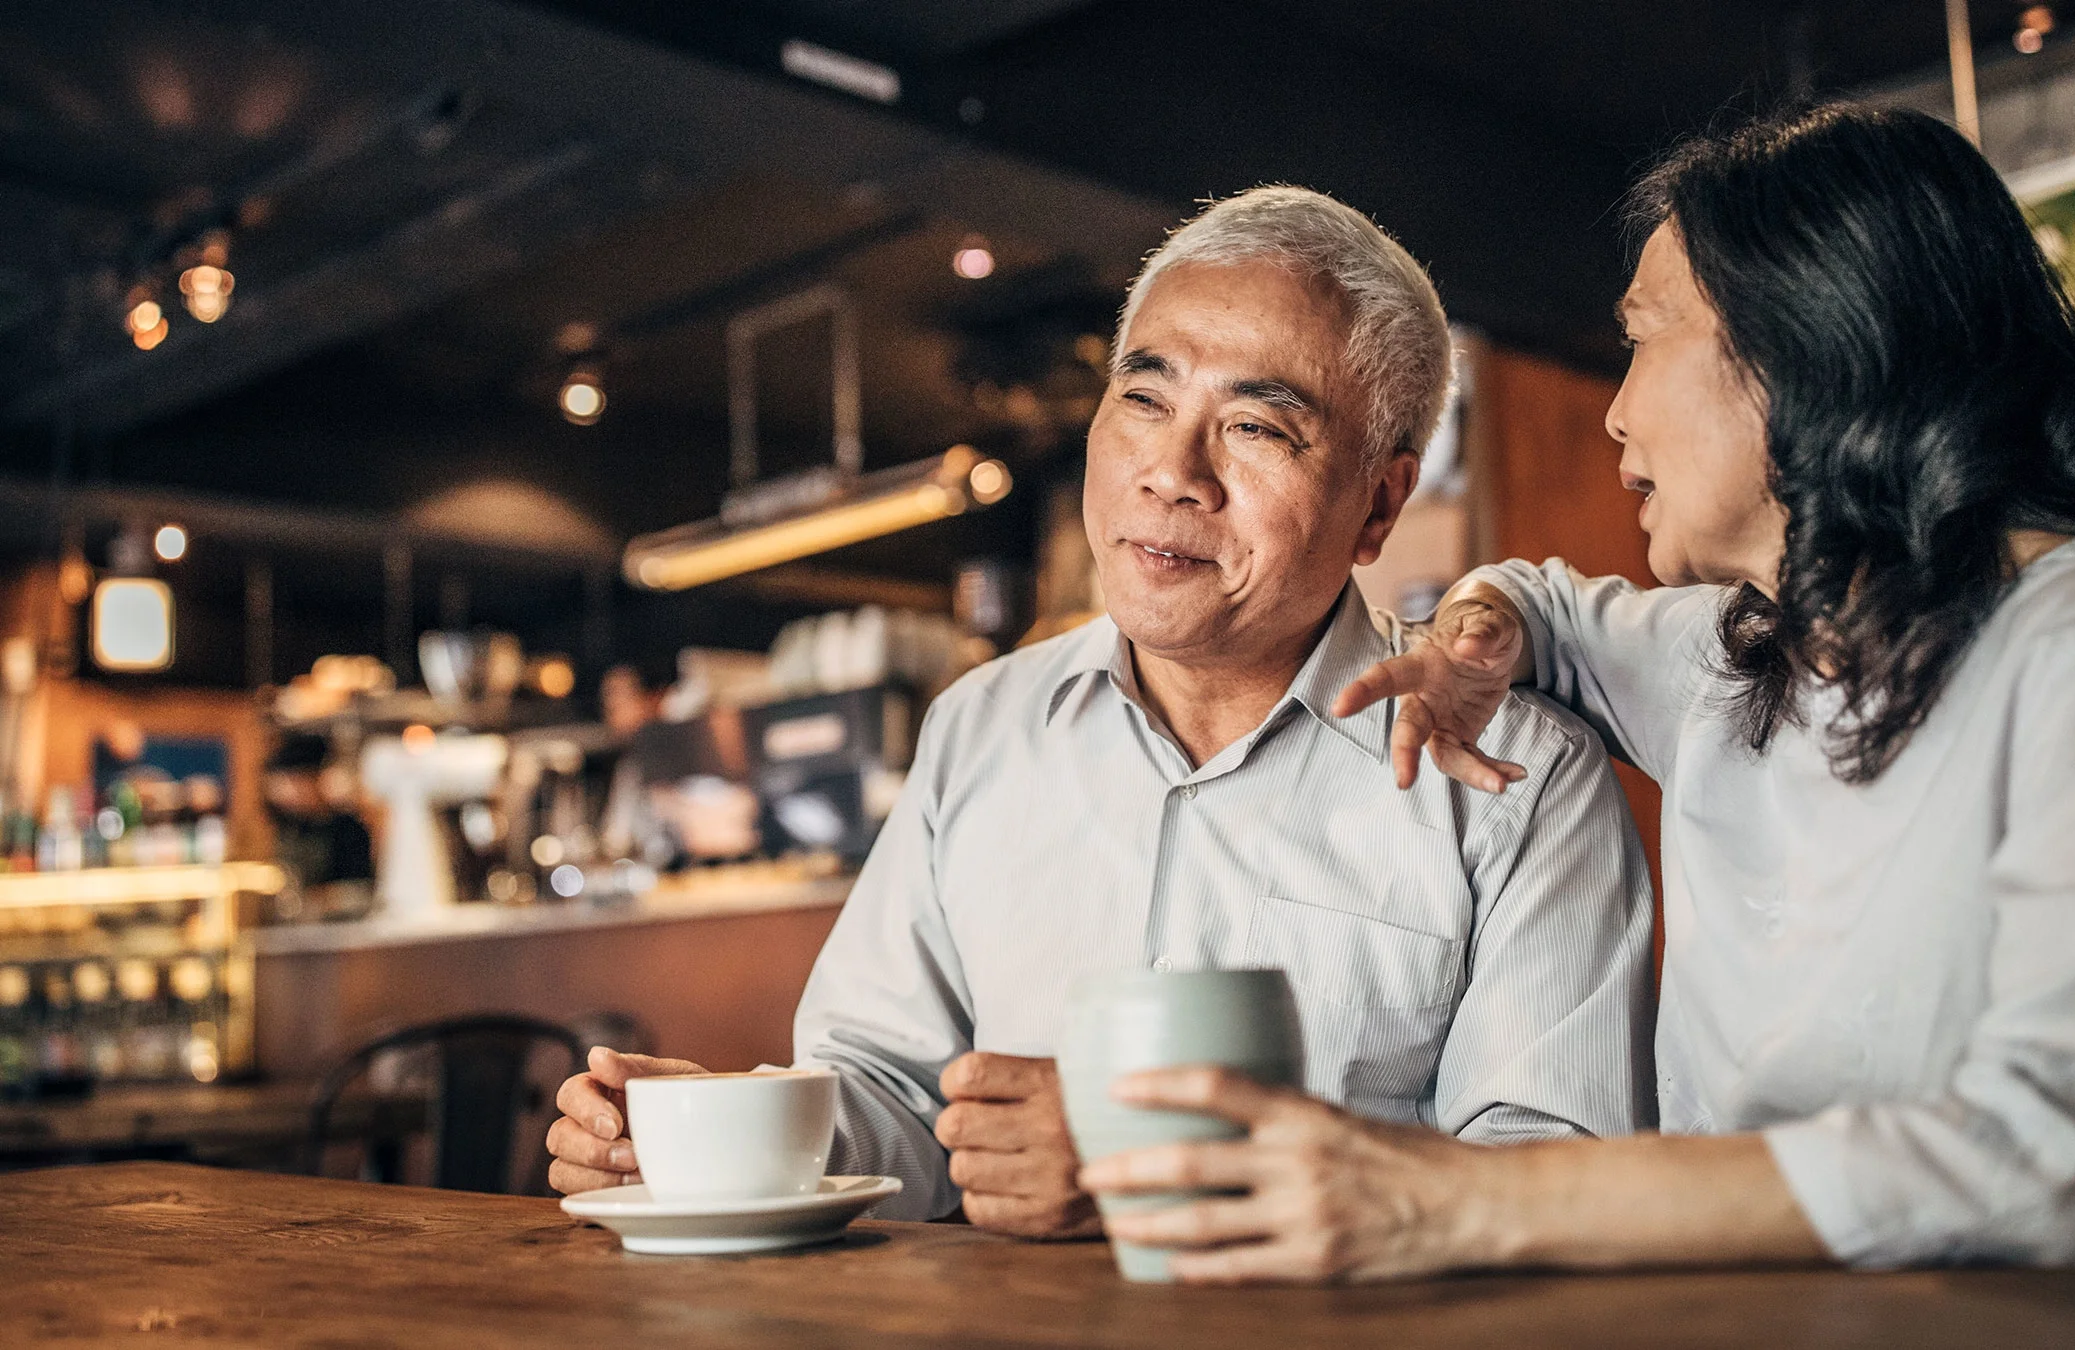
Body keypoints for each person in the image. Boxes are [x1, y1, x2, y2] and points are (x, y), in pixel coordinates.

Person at [1078, 105, 2075, 1280]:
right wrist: (1477, 636)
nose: (1615, 413)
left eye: (1644, 340)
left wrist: (1458, 1197)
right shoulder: (1741, 645)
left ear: (1808, 351)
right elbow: (1536, 600)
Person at [546, 186, 1657, 1235]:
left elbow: (1550, 1182)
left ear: (1379, 503)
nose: (1172, 472)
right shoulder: (981, 725)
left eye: (1256, 428)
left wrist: (1158, 1168)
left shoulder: (1520, 777)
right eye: (1144, 398)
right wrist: (712, 1142)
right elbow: (893, 1089)